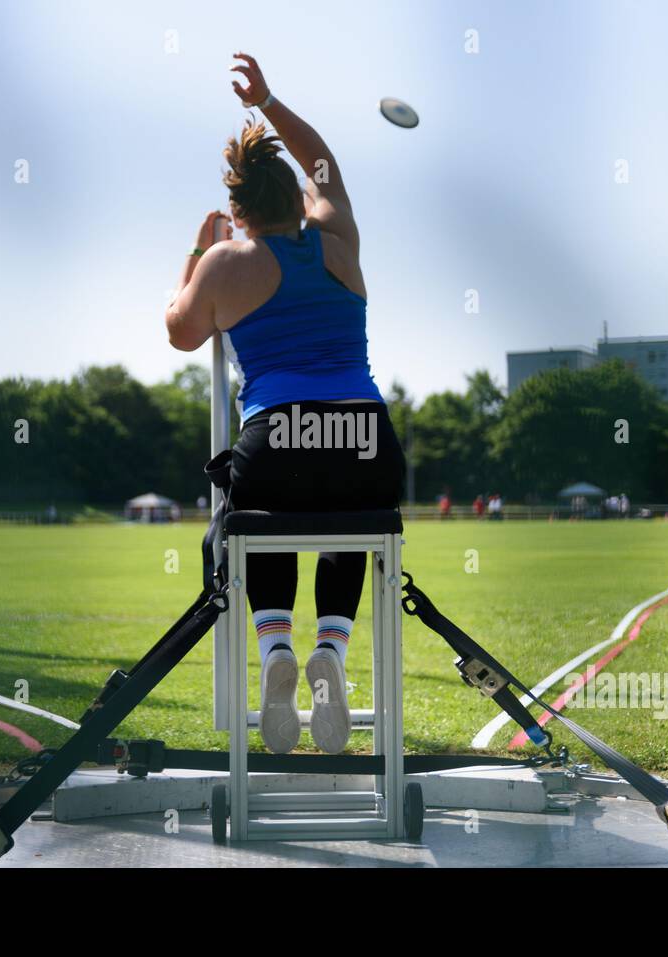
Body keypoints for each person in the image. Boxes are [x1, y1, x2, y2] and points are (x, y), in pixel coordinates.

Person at [164, 53, 405, 755]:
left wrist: (197, 249)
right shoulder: (339, 241)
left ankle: (276, 652)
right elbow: (323, 160)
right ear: (298, 197)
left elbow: (179, 330)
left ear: (239, 210)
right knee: (351, 521)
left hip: (276, 437)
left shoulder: (227, 263)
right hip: (365, 437)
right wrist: (267, 101)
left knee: (253, 521)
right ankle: (331, 644)